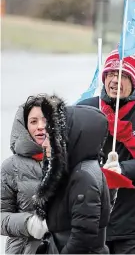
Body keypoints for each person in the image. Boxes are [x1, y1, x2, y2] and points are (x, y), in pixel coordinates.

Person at [77, 48, 135, 254]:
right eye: (110, 74)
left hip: (133, 217)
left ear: (134, 80)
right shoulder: (87, 109)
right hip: (92, 217)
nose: (115, 80)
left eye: (123, 75)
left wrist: (122, 169)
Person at [32, 95, 119, 253]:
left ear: (70, 138)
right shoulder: (76, 170)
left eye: (51, 138)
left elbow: (82, 240)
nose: (44, 144)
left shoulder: (83, 177)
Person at [1, 95, 51, 254]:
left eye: (45, 120)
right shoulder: (11, 166)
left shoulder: (67, 161)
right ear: (24, 126)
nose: (41, 126)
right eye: (34, 121)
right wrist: (28, 224)